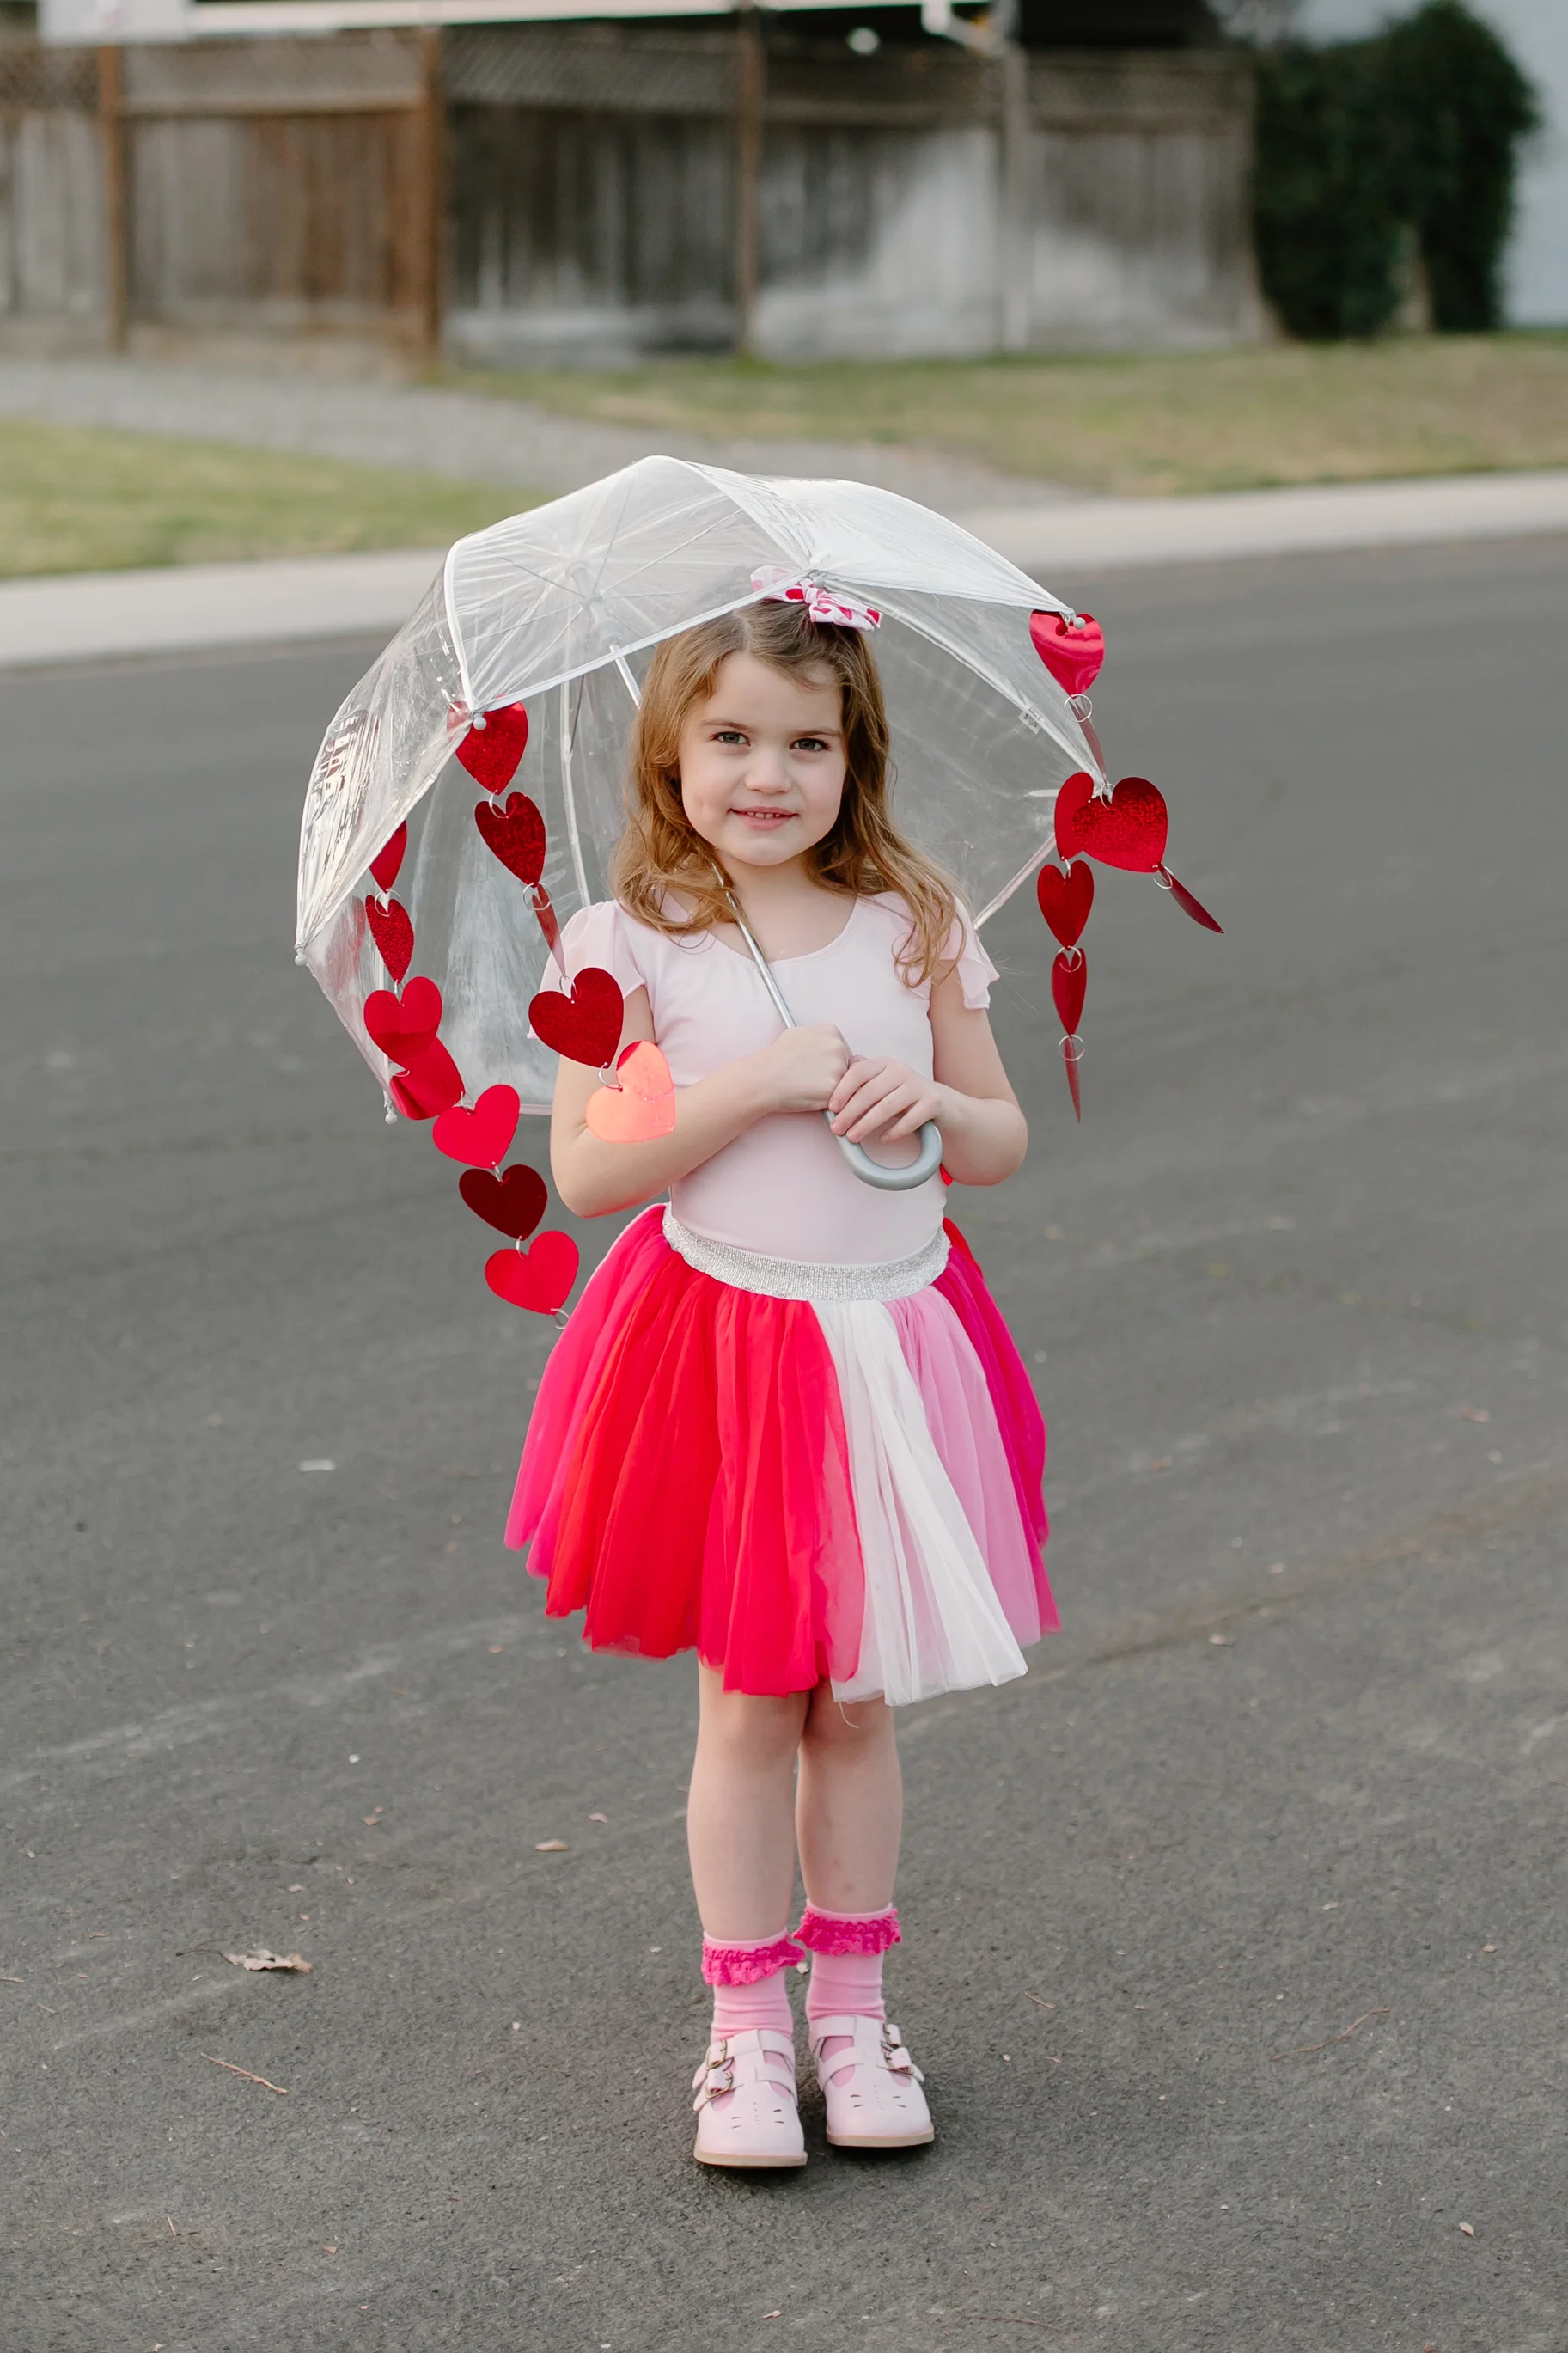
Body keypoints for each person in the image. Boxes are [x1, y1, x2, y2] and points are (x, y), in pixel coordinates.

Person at [506, 594, 1054, 2168]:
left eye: (808, 742)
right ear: (670, 753)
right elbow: (590, 1173)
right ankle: (746, 2031)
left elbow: (1002, 1139)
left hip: (890, 1340)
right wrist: (750, 1083)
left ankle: (854, 2014)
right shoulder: (627, 945)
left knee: (856, 1698)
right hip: (730, 1354)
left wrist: (929, 1100)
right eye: (733, 737)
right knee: (753, 1697)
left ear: (853, 756)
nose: (769, 773)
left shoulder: (912, 919)